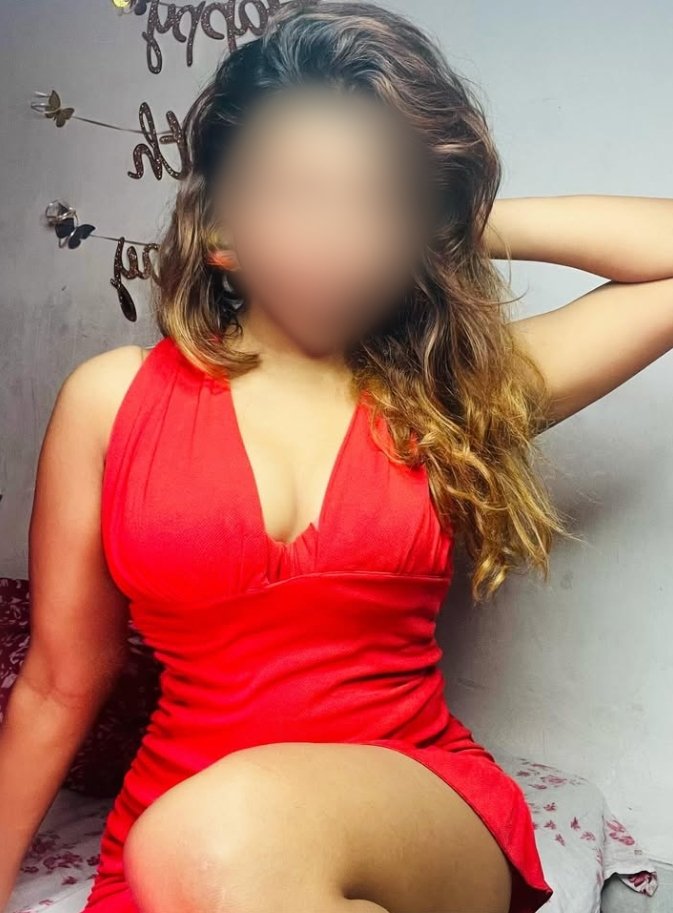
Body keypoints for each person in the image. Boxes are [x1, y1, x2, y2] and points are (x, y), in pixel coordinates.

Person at [2, 2, 672, 912]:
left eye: (370, 199)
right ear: (218, 230)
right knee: (201, 849)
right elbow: (58, 682)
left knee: (209, 837)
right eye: (293, 191)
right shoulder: (108, 402)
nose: (333, 231)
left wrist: (448, 226)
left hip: (417, 815)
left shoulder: (450, 394)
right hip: (177, 853)